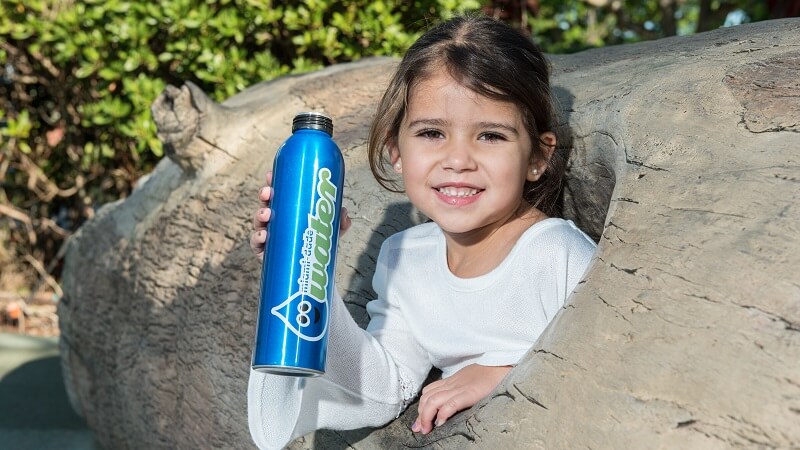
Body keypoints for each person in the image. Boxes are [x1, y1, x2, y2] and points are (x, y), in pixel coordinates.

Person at [248, 14, 596, 449]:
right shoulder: (404, 257)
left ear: (537, 157)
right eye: (432, 132)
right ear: (397, 151)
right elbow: (382, 388)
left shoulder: (557, 255)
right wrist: (308, 271)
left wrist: (507, 373)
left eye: (490, 136)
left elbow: (607, 366)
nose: (458, 160)